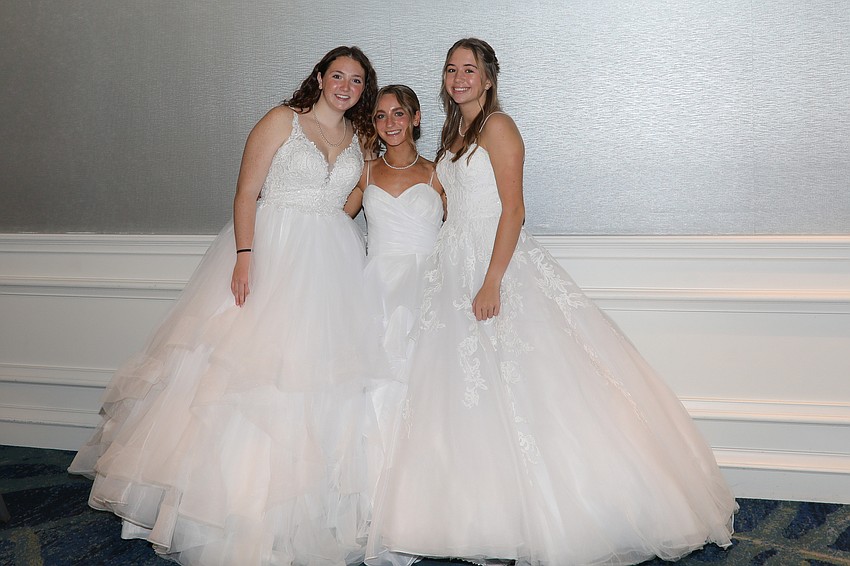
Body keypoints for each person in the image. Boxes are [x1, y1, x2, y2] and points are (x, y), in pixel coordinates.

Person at [365, 38, 738, 566]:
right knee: (464, 391)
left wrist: (493, 280)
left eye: (469, 69)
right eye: (451, 69)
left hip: (493, 263)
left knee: (524, 385)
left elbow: (513, 210)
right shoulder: (454, 135)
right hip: (451, 265)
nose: (458, 77)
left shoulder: (499, 127)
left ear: (488, 78)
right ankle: (472, 513)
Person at [69, 46, 388, 566]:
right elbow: (245, 193)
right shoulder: (282, 120)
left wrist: (337, 217)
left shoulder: (359, 137)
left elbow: (353, 198)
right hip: (273, 249)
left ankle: (303, 510)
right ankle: (235, 509)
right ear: (319, 77)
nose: (345, 87)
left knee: (314, 374)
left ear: (363, 89)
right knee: (247, 371)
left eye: (356, 80)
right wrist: (244, 256)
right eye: (338, 76)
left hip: (331, 260)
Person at [345, 84, 445, 448]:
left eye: (398, 113)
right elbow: (336, 222)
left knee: (424, 379)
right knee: (376, 379)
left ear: (416, 118)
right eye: (381, 116)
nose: (390, 123)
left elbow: (463, 229)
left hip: (427, 286)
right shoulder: (366, 173)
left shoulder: (438, 174)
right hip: (375, 287)